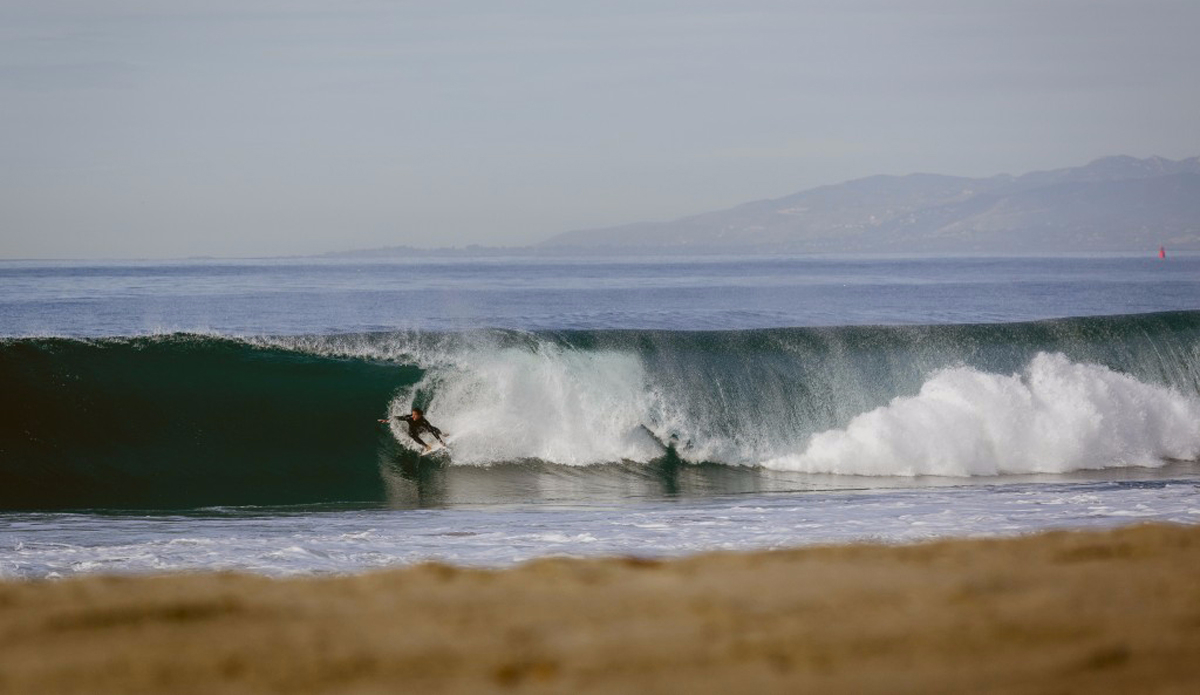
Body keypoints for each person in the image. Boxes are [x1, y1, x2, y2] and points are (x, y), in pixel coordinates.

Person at [379, 407, 447, 452]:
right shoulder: (409, 418)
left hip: (421, 429)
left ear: (420, 415)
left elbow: (432, 430)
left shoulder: (423, 421)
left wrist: (441, 442)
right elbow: (398, 418)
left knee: (432, 428)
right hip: (413, 431)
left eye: (415, 415)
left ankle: (442, 434)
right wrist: (387, 420)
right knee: (411, 434)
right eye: (413, 414)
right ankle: (426, 446)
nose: (413, 416)